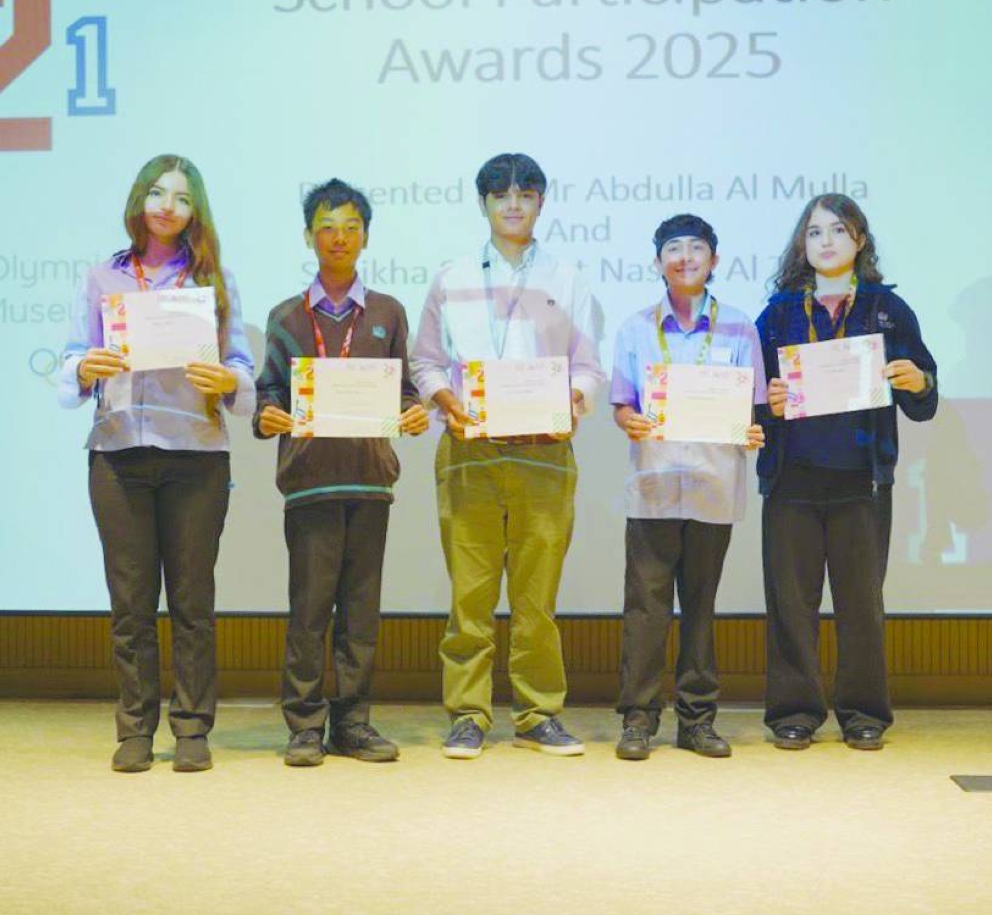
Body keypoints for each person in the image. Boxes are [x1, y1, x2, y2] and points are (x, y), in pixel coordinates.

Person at [59, 154, 255, 773]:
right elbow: (68, 366)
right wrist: (83, 367)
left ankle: (193, 729)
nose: (167, 206)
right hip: (117, 454)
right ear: (139, 200)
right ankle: (135, 728)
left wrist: (227, 376)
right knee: (131, 604)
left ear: (196, 211)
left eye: (182, 198)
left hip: (196, 456)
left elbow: (244, 376)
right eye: (157, 192)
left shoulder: (214, 281)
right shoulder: (102, 278)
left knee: (193, 603)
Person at [411, 152, 605, 758]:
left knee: (535, 598)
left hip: (545, 453)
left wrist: (572, 399)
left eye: (525, 194)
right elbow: (424, 360)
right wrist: (444, 396)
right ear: (484, 204)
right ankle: (468, 714)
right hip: (470, 449)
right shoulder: (452, 276)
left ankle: (538, 713)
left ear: (541, 202)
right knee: (469, 596)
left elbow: (590, 365)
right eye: (501, 196)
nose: (513, 204)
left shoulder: (568, 277)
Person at [255, 178, 428, 767]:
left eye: (351, 226)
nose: (339, 237)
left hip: (370, 480)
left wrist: (413, 412)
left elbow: (406, 390)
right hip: (309, 482)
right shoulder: (285, 317)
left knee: (360, 610)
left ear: (366, 237)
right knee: (308, 610)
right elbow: (267, 395)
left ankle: (353, 723)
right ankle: (304, 725)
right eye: (327, 226)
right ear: (309, 235)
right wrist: (268, 415)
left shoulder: (387, 313)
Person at [757, 194, 937, 751]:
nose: (826, 241)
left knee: (861, 603)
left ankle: (863, 713)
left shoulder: (887, 309)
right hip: (792, 479)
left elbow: (923, 394)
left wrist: (917, 380)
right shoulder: (780, 312)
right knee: (791, 603)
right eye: (814, 233)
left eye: (838, 230)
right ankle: (794, 711)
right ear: (802, 246)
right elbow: (753, 397)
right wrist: (770, 401)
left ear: (860, 240)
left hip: (863, 479)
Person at [610, 215, 766, 760]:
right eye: (672, 249)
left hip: (712, 486)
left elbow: (752, 408)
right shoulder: (634, 328)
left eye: (695, 248)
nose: (684, 257)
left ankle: (698, 719)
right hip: (653, 483)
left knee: (700, 606)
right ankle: (638, 717)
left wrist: (750, 430)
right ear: (658, 263)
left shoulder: (741, 328)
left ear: (714, 260)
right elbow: (623, 406)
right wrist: (626, 420)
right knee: (645, 606)